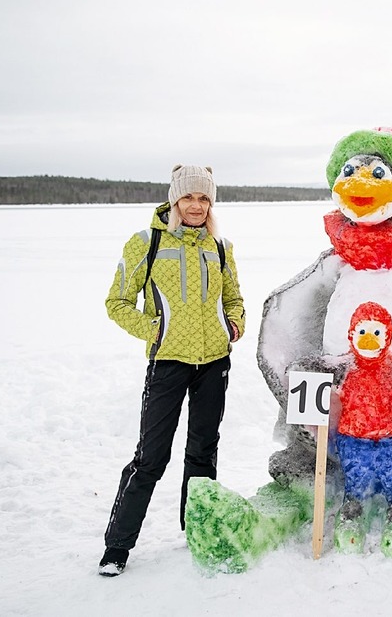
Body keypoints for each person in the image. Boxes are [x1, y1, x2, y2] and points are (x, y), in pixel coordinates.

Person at [98, 165, 245, 576]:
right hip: (167, 365)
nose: (196, 205)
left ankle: (195, 530)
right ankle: (117, 549)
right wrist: (155, 331)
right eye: (189, 198)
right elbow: (117, 302)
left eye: (204, 199)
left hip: (214, 363)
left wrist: (234, 325)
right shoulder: (147, 242)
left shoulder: (220, 247)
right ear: (175, 200)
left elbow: (235, 298)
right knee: (151, 458)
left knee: (203, 452)